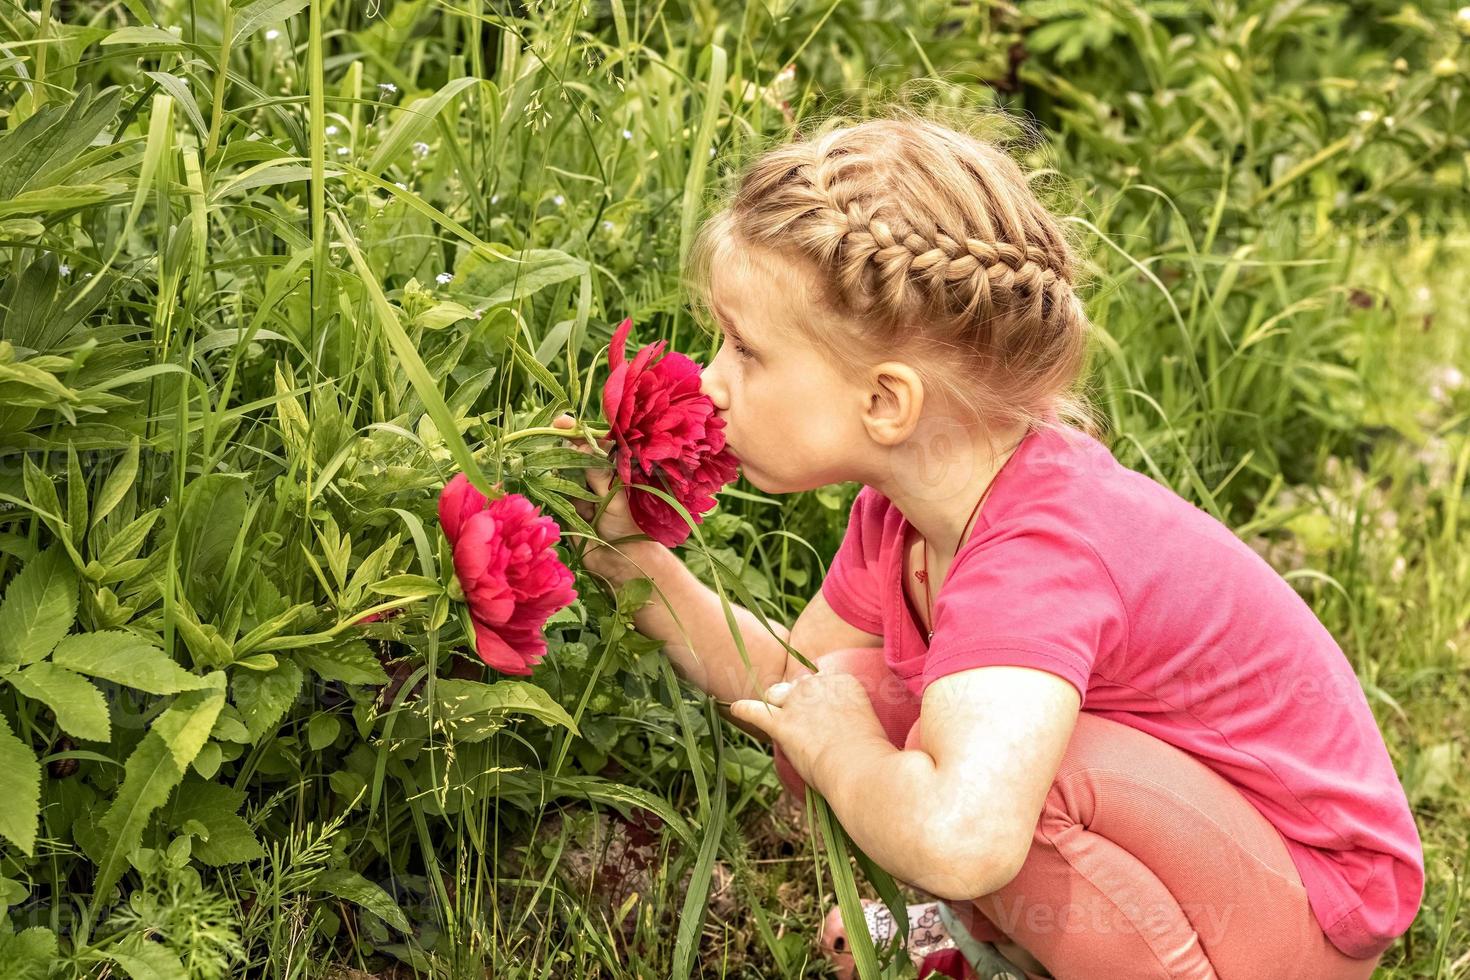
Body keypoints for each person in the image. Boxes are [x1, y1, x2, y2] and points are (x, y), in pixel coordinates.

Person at [556, 115, 1423, 979]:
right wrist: (634, 562)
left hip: (1301, 903)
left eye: (746, 349)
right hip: (1202, 842)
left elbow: (966, 840)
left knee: (996, 783)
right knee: (841, 692)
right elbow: (790, 679)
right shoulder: (907, 514)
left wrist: (849, 754)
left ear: (888, 402)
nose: (711, 381)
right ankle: (1007, 944)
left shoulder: (1037, 556)